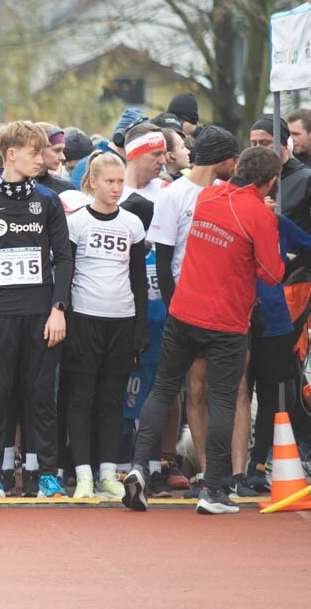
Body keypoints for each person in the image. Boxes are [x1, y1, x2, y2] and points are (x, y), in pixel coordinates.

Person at [123, 146, 284, 515]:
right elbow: (272, 274)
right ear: (270, 181)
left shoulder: (208, 196)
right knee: (223, 400)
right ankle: (212, 489)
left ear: (238, 168)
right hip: (226, 321)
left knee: (163, 389)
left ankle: (138, 466)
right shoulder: (259, 213)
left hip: (183, 310)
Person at [0, 121, 73, 500]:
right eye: (33, 152)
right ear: (11, 154)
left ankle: (48, 476)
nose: (41, 159)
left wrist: (59, 309)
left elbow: (63, 258)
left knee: (42, 396)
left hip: (41, 316)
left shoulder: (48, 200)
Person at [147, 125, 239, 497]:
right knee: (194, 387)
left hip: (223, 306)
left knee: (227, 390)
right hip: (185, 306)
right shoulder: (174, 195)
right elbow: (164, 259)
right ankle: (204, 471)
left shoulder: (228, 193)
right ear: (222, 158)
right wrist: (174, 308)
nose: (237, 163)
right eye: (233, 157)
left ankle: (227, 472)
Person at [65, 153, 148, 500]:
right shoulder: (77, 223)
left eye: (120, 182)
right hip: (85, 317)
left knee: (113, 400)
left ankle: (108, 473)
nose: (116, 188)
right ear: (92, 182)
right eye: (109, 181)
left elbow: (139, 279)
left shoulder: (132, 223)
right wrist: (68, 322)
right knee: (82, 398)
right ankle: (83, 475)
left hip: (122, 320)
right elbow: (65, 275)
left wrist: (139, 327)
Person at [250, 115, 311, 232]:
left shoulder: (306, 178)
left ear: (283, 143)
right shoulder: (247, 178)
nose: (258, 149)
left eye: (265, 143)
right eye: (254, 144)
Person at [121, 123, 168, 201]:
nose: (163, 161)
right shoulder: (111, 193)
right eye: (156, 154)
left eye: (164, 154)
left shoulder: (166, 190)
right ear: (133, 154)